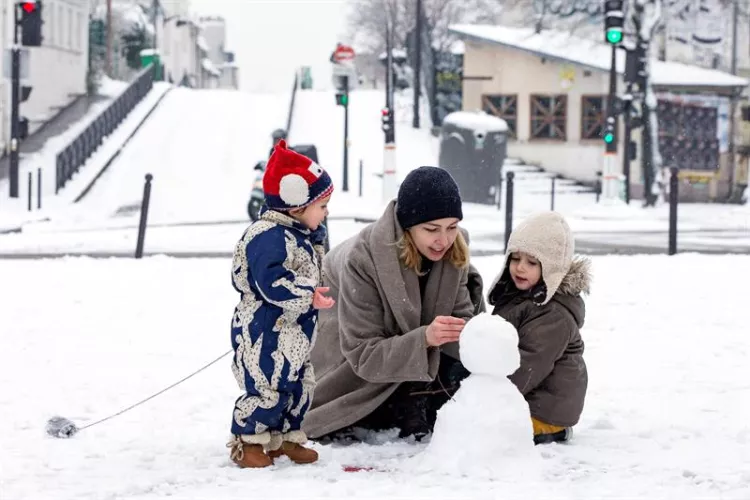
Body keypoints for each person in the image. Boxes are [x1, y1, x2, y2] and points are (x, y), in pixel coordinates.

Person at [303, 166, 485, 442]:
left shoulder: (455, 246)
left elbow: (462, 318)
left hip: (400, 350)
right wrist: (425, 338)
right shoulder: (362, 259)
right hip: (344, 351)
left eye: (452, 227)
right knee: (377, 407)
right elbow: (363, 354)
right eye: (431, 229)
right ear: (408, 226)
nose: (444, 240)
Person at [227, 140, 335, 468]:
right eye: (322, 206)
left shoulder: (300, 234)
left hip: (294, 330)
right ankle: (249, 441)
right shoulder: (268, 236)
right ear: (296, 203)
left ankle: (286, 437)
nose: (326, 213)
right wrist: (308, 294)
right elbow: (271, 280)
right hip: (263, 330)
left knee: (298, 383)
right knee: (267, 384)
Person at [486, 211, 591, 445]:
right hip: (526, 395)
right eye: (515, 259)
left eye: (532, 262)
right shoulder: (520, 295)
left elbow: (528, 366)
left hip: (545, 407)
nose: (520, 268)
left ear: (552, 268)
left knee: (489, 431)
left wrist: (487, 396)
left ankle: (554, 431)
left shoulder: (553, 315)